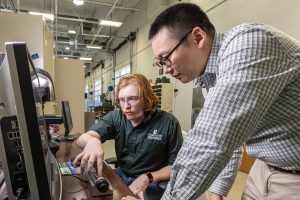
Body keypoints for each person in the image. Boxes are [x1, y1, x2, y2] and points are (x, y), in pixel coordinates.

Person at [148, 2, 300, 200]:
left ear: (198, 37)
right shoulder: (211, 78)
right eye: (160, 63)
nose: (165, 70)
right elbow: (232, 136)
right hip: (262, 168)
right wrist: (216, 192)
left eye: (166, 58)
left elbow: (211, 139)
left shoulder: (248, 44)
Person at [74, 73, 183, 200]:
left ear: (146, 98)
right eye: (122, 100)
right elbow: (82, 139)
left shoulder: (168, 122)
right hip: (123, 175)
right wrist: (92, 141)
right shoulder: (116, 117)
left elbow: (176, 167)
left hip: (152, 182)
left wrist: (148, 177)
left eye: (133, 99)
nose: (126, 106)